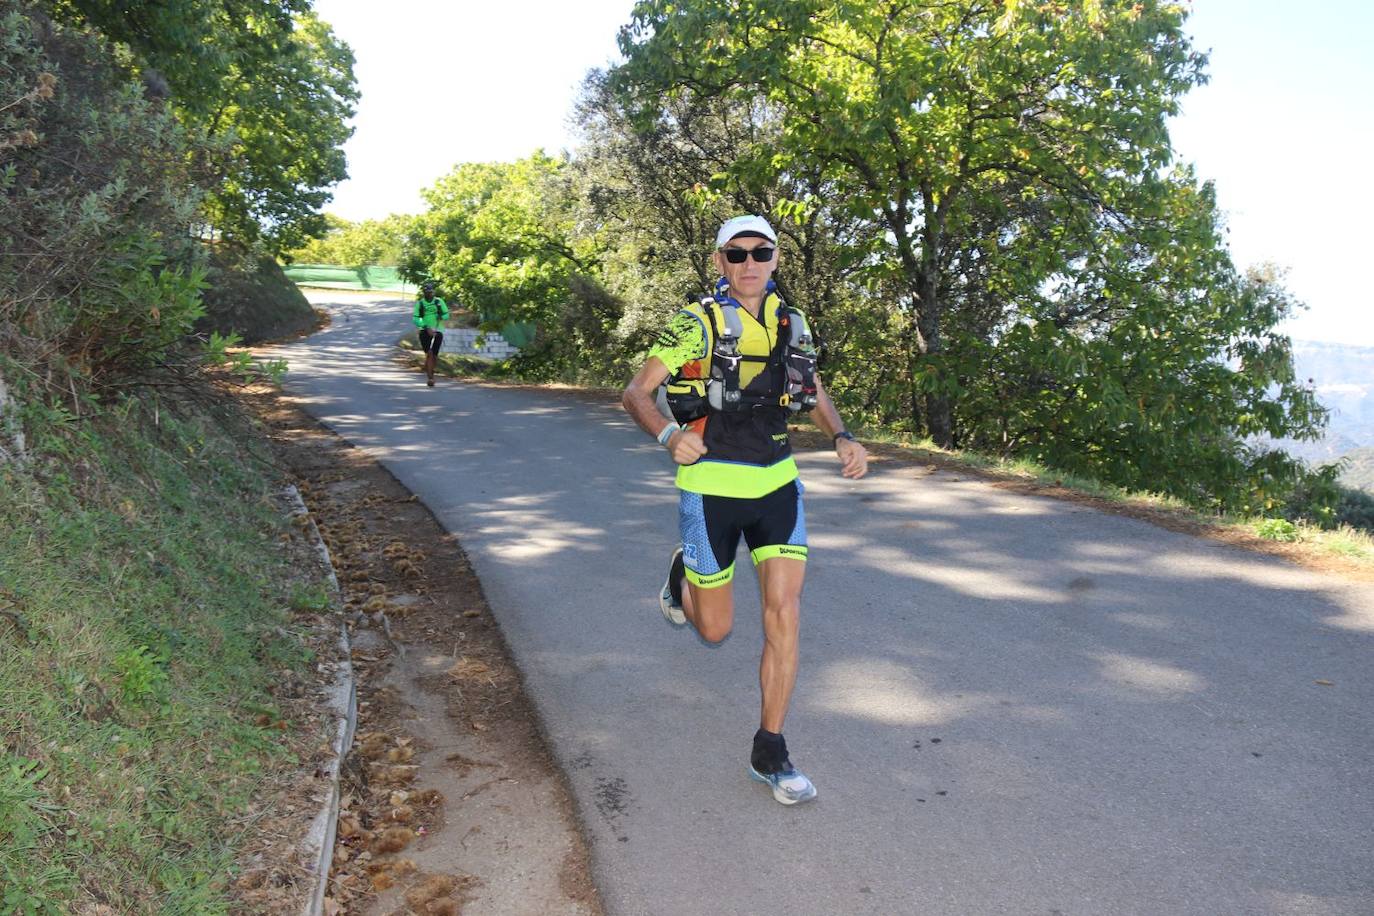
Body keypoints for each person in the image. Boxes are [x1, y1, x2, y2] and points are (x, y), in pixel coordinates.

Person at [621, 214, 868, 805]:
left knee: (784, 611)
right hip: (710, 488)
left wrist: (841, 435)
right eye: (737, 254)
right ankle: (684, 571)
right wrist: (665, 437)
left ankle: (771, 748)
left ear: (777, 258)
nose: (750, 263)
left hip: (778, 484)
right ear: (719, 262)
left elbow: (810, 389)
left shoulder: (793, 322)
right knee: (716, 628)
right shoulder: (696, 325)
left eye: (762, 252)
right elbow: (635, 392)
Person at [413, 280, 449, 387]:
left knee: (434, 355)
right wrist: (426, 327)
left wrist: (440, 316)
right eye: (427, 291)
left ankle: (429, 372)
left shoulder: (439, 302)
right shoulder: (420, 304)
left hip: (438, 331)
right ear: (424, 292)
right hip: (424, 331)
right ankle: (430, 377)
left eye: (431, 291)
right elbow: (415, 319)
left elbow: (447, 315)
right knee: (429, 354)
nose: (430, 293)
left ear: (433, 292)